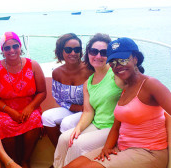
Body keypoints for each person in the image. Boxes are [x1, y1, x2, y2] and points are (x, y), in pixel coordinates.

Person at [65, 37, 171, 168]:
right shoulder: (125, 87)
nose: (117, 66)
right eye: (112, 63)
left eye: (123, 60)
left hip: (148, 152)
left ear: (135, 59)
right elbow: (117, 126)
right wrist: (106, 147)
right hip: (122, 147)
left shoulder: (150, 84)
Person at [53, 33, 124, 168]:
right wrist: (78, 128)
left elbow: (134, 86)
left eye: (103, 52)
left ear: (109, 55)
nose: (98, 56)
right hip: (96, 124)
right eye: (93, 51)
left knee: (76, 145)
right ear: (88, 54)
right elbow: (88, 111)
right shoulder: (88, 83)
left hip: (112, 128)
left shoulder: (116, 75)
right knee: (64, 139)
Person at [0, 32, 46, 168]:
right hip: (4, 109)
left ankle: (25, 160)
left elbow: (42, 92)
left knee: (35, 119)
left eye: (15, 46)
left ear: (20, 46)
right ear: (2, 50)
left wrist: (30, 108)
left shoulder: (33, 65)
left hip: (28, 106)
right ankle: (13, 161)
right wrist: (11, 112)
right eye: (7, 48)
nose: (12, 50)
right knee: (2, 123)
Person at [41, 33, 93, 147]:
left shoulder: (90, 69)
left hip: (88, 110)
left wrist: (85, 108)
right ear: (61, 51)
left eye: (77, 49)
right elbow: (58, 98)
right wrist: (76, 107)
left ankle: (65, 157)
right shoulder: (57, 73)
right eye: (68, 49)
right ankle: (58, 152)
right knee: (46, 117)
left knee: (66, 123)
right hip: (72, 109)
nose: (73, 53)